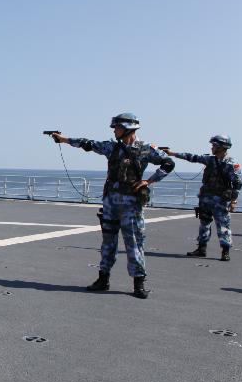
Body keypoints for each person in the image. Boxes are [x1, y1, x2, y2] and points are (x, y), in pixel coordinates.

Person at [50, 113, 175, 298]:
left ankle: (138, 283)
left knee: (134, 243)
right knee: (108, 242)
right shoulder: (111, 147)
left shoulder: (146, 149)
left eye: (117, 127)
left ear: (128, 129)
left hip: (131, 205)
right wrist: (63, 139)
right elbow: (88, 144)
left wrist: (149, 181)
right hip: (110, 203)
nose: (114, 130)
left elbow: (169, 163)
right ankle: (103, 279)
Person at [163, 135, 242, 261]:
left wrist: (233, 201)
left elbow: (237, 184)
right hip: (205, 198)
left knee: (223, 226)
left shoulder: (231, 164)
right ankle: (201, 249)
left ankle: (225, 251)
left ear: (222, 147)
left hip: (221, 200)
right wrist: (172, 153)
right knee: (204, 224)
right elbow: (192, 157)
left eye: (215, 146)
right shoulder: (209, 160)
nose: (212, 148)